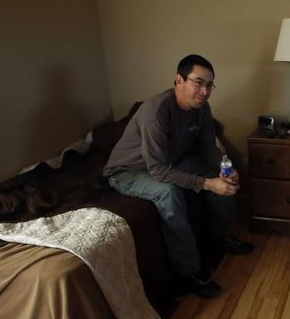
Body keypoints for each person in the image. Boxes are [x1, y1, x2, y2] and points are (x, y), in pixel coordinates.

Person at [103, 54, 252, 298]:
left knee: (220, 178)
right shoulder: (156, 111)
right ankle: (189, 272)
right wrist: (207, 184)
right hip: (129, 171)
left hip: (169, 161)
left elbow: (207, 148)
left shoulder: (201, 108)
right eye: (198, 82)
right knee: (169, 195)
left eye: (209, 85)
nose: (204, 91)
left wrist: (226, 169)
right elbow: (158, 171)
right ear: (178, 81)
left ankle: (221, 239)